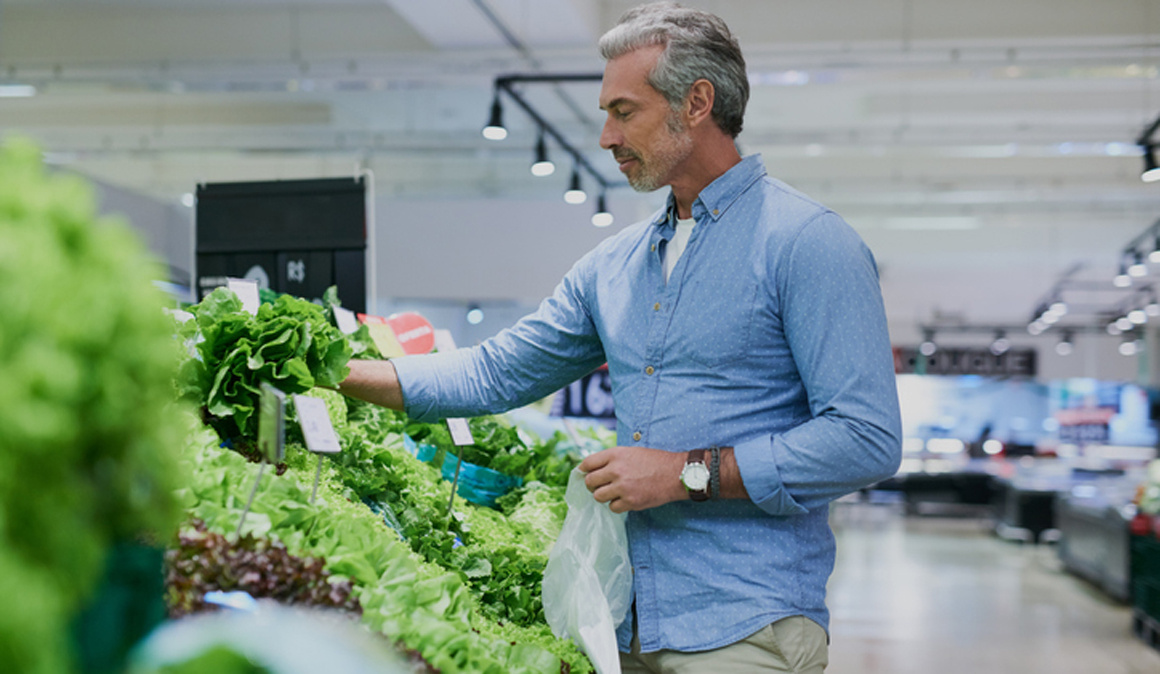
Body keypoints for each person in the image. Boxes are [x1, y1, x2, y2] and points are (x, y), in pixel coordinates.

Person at [338, 2, 902, 672]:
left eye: (624, 111)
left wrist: (681, 473)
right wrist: (327, 370)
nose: (606, 136)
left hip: (746, 628)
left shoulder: (809, 244)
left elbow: (865, 439)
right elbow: (493, 374)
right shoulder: (614, 267)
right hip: (623, 626)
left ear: (696, 102)